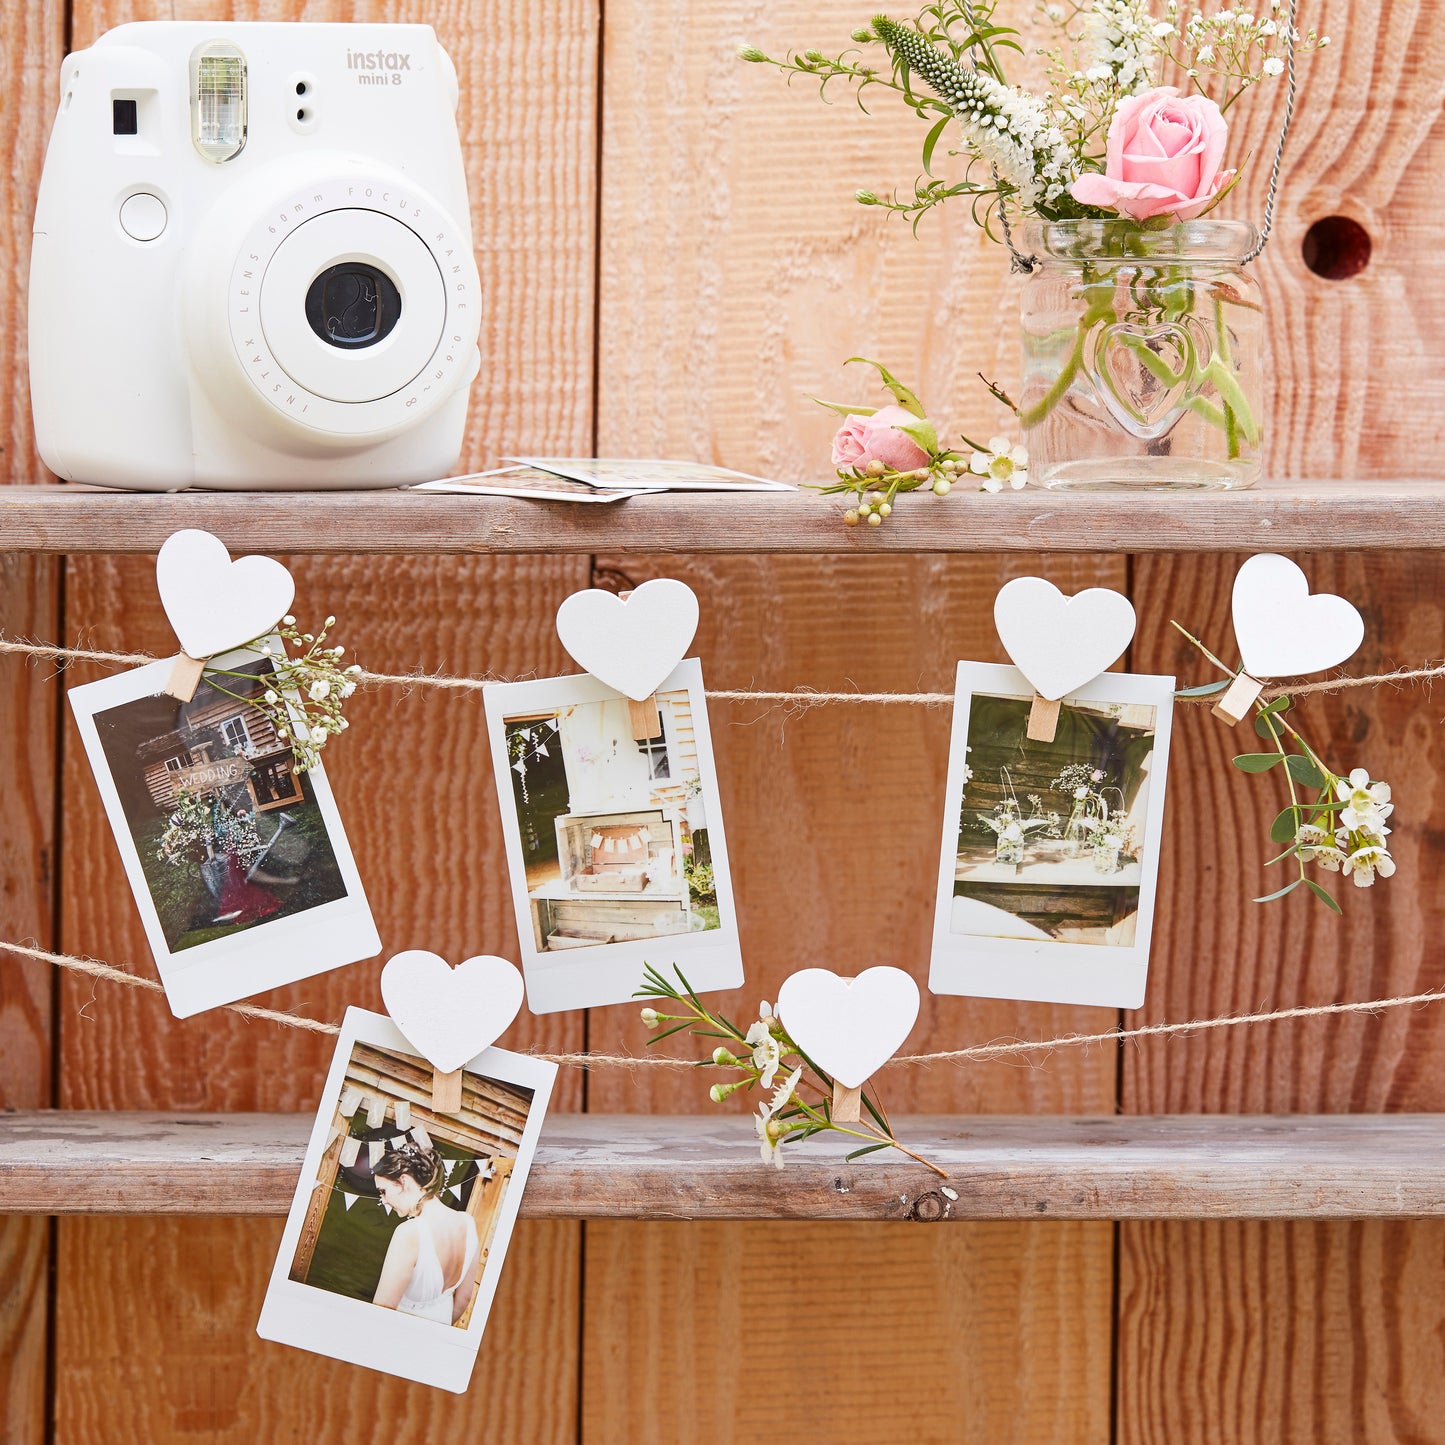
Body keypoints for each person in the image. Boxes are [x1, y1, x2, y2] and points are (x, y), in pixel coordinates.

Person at [371, 1142, 481, 1326]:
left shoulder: (409, 1233)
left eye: (383, 1191)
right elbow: (464, 1299)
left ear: (403, 1181)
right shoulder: (468, 1223)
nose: (383, 1201)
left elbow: (382, 1309)